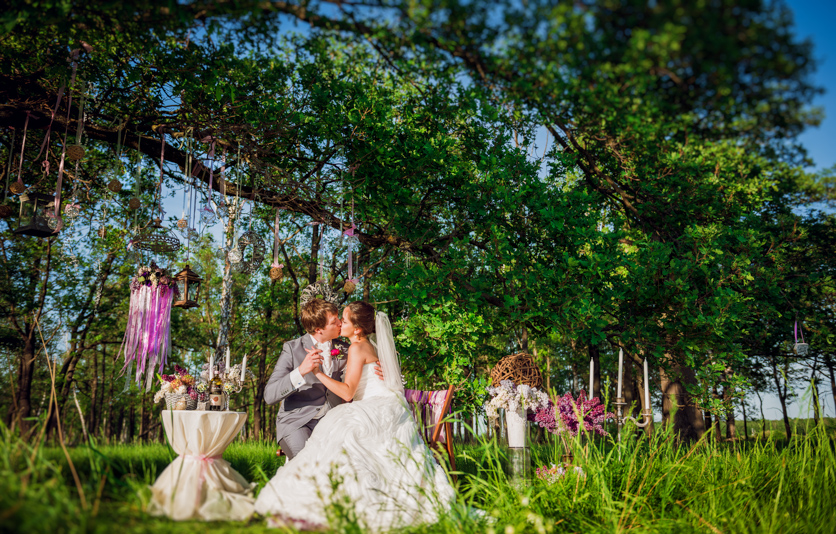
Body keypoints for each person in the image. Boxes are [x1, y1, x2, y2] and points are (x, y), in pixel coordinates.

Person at [255, 301, 455, 531]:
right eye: (335, 321)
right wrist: (301, 371)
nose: (340, 322)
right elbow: (270, 395)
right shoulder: (292, 348)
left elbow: (354, 383)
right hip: (298, 422)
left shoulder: (348, 344)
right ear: (319, 329)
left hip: (339, 416)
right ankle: (309, 516)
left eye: (343, 319)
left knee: (341, 458)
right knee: (308, 464)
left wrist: (385, 374)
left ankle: (347, 512)